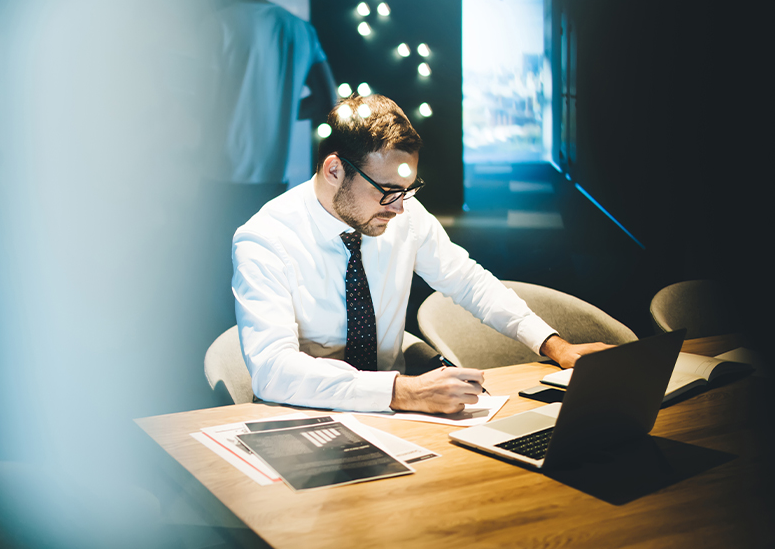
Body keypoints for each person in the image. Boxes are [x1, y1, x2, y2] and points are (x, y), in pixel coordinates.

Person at [232, 95, 611, 414]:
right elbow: (273, 370)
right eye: (387, 190)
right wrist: (404, 391)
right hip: (302, 415)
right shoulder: (265, 239)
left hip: (396, 414)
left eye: (408, 190)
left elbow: (468, 281)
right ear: (334, 170)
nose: (399, 208)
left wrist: (556, 346)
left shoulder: (403, 213)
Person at [198, 0, 336, 331]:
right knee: (267, 281)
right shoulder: (299, 29)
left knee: (217, 288)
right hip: (274, 180)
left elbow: (199, 104)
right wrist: (277, 110)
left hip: (218, 177)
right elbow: (329, 98)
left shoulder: (217, 25)